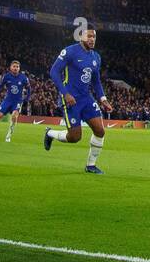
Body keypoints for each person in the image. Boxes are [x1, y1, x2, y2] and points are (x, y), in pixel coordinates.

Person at [44, 26, 113, 173]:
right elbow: (54, 72)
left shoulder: (96, 57)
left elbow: (96, 81)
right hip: (70, 98)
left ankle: (91, 165)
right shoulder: (70, 51)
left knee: (100, 131)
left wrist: (103, 99)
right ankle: (50, 133)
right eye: (89, 36)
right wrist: (65, 93)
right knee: (75, 137)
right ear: (81, 37)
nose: (92, 39)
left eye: (94, 37)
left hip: (86, 98)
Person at [0, 60, 30, 142]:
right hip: (8, 100)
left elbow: (29, 89)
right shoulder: (6, 76)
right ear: (10, 67)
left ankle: (8, 136)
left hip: (17, 102)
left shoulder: (24, 78)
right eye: (14, 66)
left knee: (14, 116)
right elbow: (0, 86)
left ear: (19, 68)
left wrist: (26, 100)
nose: (15, 68)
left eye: (17, 67)